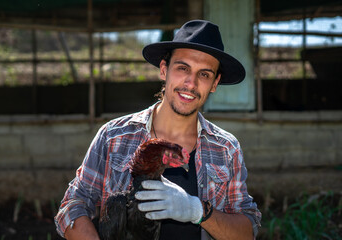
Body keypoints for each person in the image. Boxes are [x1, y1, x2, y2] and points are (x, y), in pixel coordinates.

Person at [55, 19, 261, 240]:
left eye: (204, 74)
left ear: (214, 83)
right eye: (183, 68)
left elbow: (247, 231)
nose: (191, 83)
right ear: (164, 70)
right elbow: (72, 206)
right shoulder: (113, 136)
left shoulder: (226, 148)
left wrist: (199, 211)